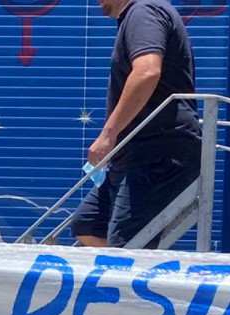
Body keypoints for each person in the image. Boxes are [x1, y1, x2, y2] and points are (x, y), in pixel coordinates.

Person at [71, 0, 202, 249]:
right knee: (87, 225)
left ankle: (128, 270)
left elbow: (147, 72)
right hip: (135, 153)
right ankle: (125, 267)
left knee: (126, 247)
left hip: (156, 154)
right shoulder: (138, 15)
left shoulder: (143, 12)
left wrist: (109, 134)